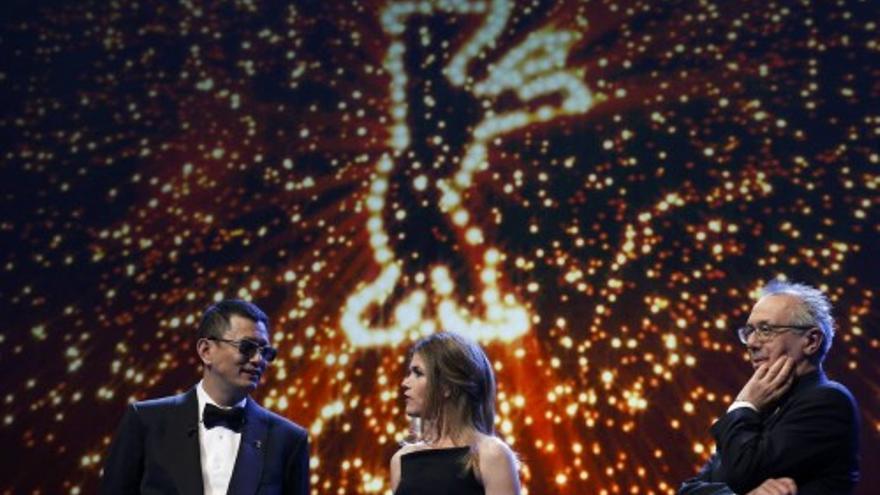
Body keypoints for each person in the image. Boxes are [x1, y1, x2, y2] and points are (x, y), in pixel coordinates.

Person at [100, 299, 309, 495]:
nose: (258, 360)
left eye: (266, 352)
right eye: (247, 347)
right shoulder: (146, 421)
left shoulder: (288, 439)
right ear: (206, 350)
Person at [678, 281, 860, 495]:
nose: (752, 343)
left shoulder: (828, 402)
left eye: (765, 330)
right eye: (749, 331)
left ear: (811, 341)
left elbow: (742, 472)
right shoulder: (762, 408)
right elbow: (688, 490)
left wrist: (743, 404)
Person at [390, 331, 521, 495]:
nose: (405, 383)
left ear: (447, 386)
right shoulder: (401, 461)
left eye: (418, 373)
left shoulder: (490, 455)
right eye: (409, 373)